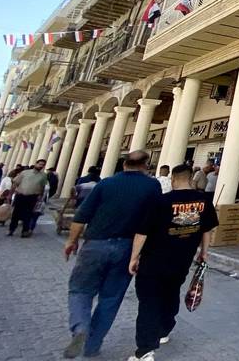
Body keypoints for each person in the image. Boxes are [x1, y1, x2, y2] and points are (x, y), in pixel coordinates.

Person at [62, 151, 162, 358]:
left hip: (95, 244)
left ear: (124, 164)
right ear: (146, 165)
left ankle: (80, 327)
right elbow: (155, 220)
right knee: (111, 298)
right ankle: (92, 345)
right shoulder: (153, 186)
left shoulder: (105, 184)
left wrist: (72, 241)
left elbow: (81, 216)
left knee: (80, 290)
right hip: (128, 247)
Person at [127, 164, 216, 361]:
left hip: (154, 261)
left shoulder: (160, 201)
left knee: (149, 303)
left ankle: (145, 350)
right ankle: (165, 329)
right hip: (182, 260)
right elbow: (207, 230)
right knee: (171, 292)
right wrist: (204, 253)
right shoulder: (204, 201)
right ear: (191, 179)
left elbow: (142, 233)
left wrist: (134, 257)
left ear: (174, 179)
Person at [9, 159, 48, 237]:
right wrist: (10, 194)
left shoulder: (43, 175)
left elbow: (42, 187)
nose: (41, 166)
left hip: (32, 197)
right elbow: (15, 183)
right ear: (36, 164)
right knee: (16, 213)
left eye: (43, 165)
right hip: (20, 195)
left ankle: (25, 231)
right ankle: (11, 229)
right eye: (40, 164)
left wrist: (41, 197)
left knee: (28, 214)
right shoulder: (25, 173)